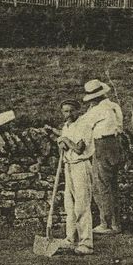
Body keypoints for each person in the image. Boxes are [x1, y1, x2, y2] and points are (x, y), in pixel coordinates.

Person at [48, 99, 95, 255]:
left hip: (81, 165)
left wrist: (65, 140)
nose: (68, 114)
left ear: (78, 110)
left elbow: (79, 149)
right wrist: (61, 143)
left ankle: (86, 244)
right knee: (70, 205)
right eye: (65, 111)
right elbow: (65, 147)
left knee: (82, 205)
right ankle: (70, 239)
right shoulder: (66, 126)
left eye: (71, 111)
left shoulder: (84, 125)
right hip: (68, 166)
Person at [81, 79, 124, 235]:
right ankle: (116, 223)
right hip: (116, 144)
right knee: (113, 185)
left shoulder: (97, 110)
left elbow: (82, 125)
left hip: (103, 145)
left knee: (101, 186)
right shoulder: (114, 106)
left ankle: (105, 223)